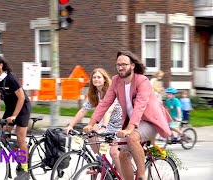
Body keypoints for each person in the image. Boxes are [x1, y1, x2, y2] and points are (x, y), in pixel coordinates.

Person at [83, 51, 172, 180]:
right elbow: (105, 103)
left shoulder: (142, 81)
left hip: (150, 120)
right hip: (132, 123)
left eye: (124, 64)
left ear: (132, 66)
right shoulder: (116, 81)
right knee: (122, 155)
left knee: (132, 137)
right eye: (118, 64)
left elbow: (140, 106)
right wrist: (91, 123)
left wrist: (130, 128)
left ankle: (142, 175)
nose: (120, 67)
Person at [64, 68, 122, 175]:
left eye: (99, 77)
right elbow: (83, 111)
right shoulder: (94, 94)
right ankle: (100, 161)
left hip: (119, 124)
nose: (96, 79)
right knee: (90, 133)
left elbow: (108, 111)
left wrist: (103, 127)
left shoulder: (111, 91)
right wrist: (70, 126)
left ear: (104, 79)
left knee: (114, 152)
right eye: (94, 77)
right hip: (105, 123)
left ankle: (121, 175)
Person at [0, 55, 31, 180]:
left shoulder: (11, 78)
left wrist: (14, 115)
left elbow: (22, 98)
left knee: (20, 137)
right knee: (3, 134)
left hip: (22, 108)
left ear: (0, 65)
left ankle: (25, 168)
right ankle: (19, 153)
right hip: (10, 108)